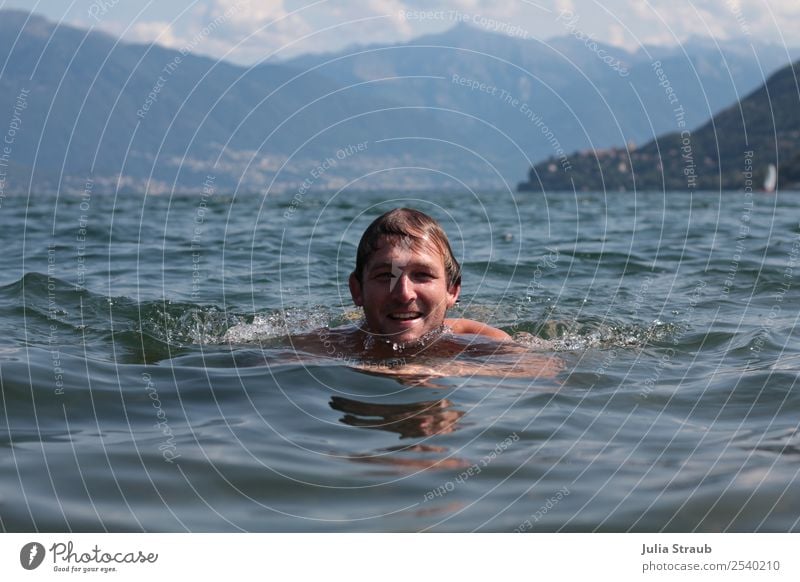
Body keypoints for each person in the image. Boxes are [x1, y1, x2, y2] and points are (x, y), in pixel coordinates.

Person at [348, 207, 511, 346]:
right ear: (357, 291)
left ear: (452, 290)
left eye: (422, 275)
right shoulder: (330, 347)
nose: (404, 294)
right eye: (386, 275)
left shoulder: (486, 343)